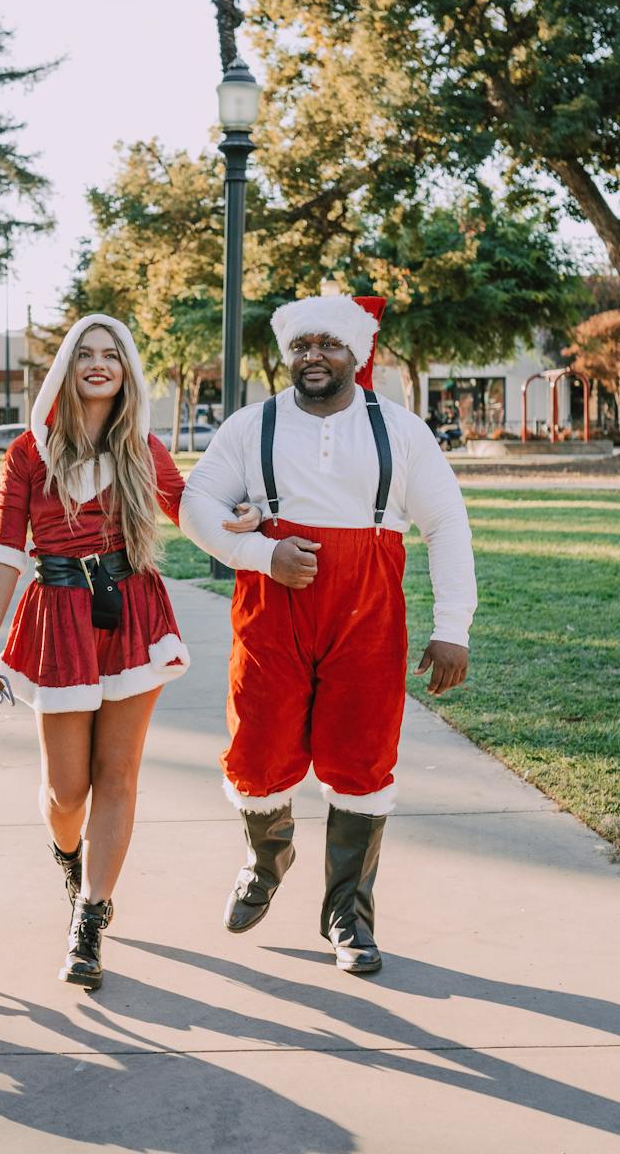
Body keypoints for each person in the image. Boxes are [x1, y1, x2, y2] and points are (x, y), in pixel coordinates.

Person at [179, 294, 477, 975]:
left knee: (363, 759)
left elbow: (447, 525)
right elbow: (196, 502)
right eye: (304, 344)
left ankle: (348, 913)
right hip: (273, 608)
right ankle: (266, 857)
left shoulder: (400, 431)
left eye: (330, 343)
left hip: (368, 613)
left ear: (356, 352)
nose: (315, 354)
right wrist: (261, 555)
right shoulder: (251, 427)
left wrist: (452, 626)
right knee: (256, 752)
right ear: (289, 354)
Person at [0, 314, 256, 990]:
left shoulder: (143, 450)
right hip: (59, 618)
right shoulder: (29, 454)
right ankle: (70, 859)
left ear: (126, 372)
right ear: (67, 368)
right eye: (86, 355)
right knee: (67, 792)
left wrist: (236, 523)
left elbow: (188, 509)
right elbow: (8, 549)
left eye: (112, 356)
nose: (99, 365)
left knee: (117, 775)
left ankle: (90, 917)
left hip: (131, 613)